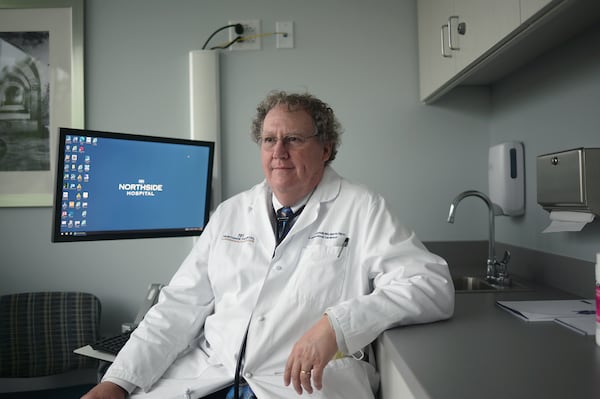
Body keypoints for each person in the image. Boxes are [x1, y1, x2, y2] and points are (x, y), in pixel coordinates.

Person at [82, 91, 454, 399]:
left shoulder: (362, 207)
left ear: (325, 149)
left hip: (299, 388)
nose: (279, 151)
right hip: (209, 379)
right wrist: (117, 381)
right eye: (269, 140)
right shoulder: (230, 213)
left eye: (294, 139)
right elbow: (177, 309)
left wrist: (336, 326)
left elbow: (431, 286)